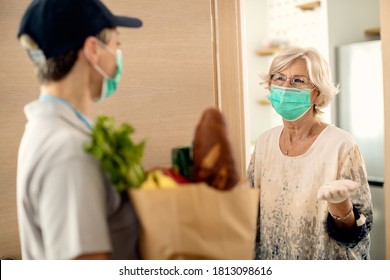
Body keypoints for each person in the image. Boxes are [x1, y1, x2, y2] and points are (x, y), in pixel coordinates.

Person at [16, 0, 142, 259]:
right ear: (93, 50)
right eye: (117, 45)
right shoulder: (69, 152)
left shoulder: (49, 132)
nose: (118, 56)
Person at [247, 47, 373, 259]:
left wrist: (341, 207)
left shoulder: (340, 144)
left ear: (317, 92)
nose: (286, 87)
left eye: (298, 81)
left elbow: (358, 234)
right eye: (279, 78)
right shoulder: (264, 143)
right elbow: (248, 212)